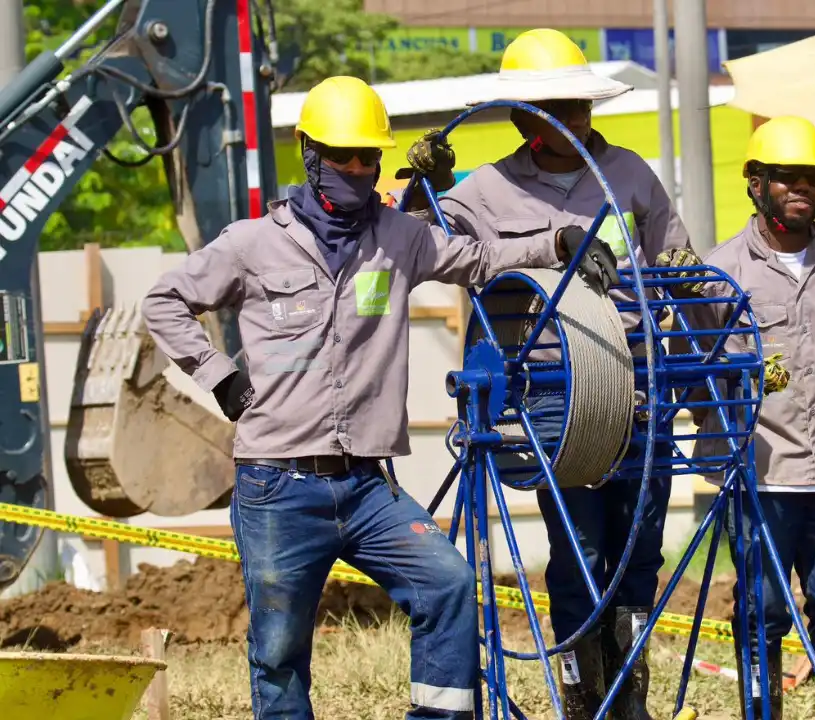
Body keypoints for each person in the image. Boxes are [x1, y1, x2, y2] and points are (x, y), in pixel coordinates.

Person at [140, 75, 616, 720]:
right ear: (310, 153)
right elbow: (164, 301)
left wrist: (556, 243)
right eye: (344, 156)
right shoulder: (251, 244)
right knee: (279, 648)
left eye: (370, 158)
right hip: (278, 486)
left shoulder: (400, 237)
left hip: (367, 487)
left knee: (447, 585)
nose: (359, 169)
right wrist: (218, 373)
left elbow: (478, 259)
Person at [398, 28, 696, 720]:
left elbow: (678, 262)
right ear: (523, 118)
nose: (574, 115)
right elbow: (417, 243)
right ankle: (581, 695)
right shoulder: (490, 190)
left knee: (639, 552)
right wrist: (427, 183)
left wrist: (697, 333)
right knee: (580, 553)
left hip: (641, 390)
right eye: (556, 104)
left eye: (580, 103)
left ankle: (628, 694)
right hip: (558, 396)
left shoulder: (630, 175)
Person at [687, 115, 815, 720]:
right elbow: (695, 368)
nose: (801, 188)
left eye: (811, 178)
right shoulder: (721, 272)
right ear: (755, 185)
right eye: (786, 177)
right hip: (762, 478)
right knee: (761, 609)